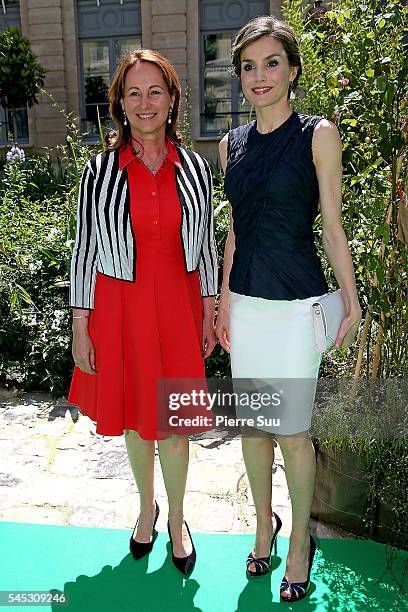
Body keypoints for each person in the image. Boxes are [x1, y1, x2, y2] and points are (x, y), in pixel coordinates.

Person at [215, 16, 361, 602]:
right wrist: (224, 301)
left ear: (293, 70)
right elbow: (235, 231)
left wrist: (351, 299)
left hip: (299, 306)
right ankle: (263, 527)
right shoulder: (231, 145)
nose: (259, 76)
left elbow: (331, 223)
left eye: (271, 62)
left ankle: (300, 541)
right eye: (248, 66)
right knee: (253, 429)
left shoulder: (317, 135)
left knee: (294, 433)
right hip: (247, 306)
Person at [67, 48, 218, 576]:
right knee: (137, 419)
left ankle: (178, 519)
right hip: (121, 307)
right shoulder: (100, 171)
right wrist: (79, 323)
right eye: (134, 92)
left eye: (156, 90)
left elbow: (207, 243)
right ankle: (145, 510)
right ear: (120, 104)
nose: (145, 102)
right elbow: (84, 248)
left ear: (173, 99)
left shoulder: (196, 167)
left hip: (177, 303)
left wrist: (209, 307)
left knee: (175, 423)